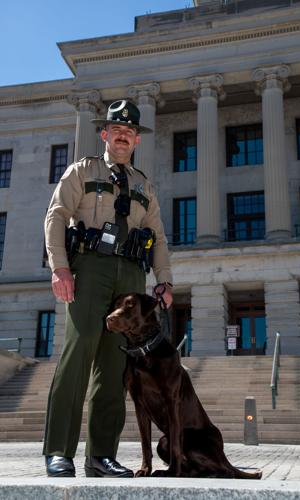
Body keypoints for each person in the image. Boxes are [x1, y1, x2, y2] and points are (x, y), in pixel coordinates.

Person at [43, 99, 173, 478]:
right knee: (79, 351)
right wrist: (60, 268)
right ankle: (58, 451)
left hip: (130, 275)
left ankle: (101, 455)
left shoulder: (143, 184)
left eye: (130, 131)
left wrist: (164, 280)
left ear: (136, 139)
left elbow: (160, 237)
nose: (123, 135)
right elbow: (56, 217)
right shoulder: (82, 171)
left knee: (116, 364)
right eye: (117, 129)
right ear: (104, 133)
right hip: (89, 268)